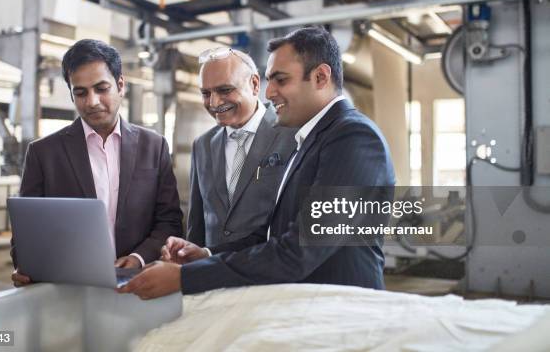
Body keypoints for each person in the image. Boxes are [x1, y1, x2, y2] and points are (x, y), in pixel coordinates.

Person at [118, 26, 395, 299]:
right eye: (269, 80)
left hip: (343, 310)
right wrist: (206, 254)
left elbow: (300, 251)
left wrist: (185, 278)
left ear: (321, 77)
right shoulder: (313, 138)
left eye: (281, 80)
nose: (269, 92)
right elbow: (272, 234)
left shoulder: (353, 137)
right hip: (308, 304)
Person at [11, 39, 183, 286]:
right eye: (80, 92)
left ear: (120, 85)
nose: (91, 101)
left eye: (101, 88)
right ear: (71, 94)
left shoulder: (153, 146)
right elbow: (26, 231)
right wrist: (25, 265)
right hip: (67, 287)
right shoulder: (43, 153)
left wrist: (138, 258)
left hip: (138, 282)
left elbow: (169, 220)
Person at [187, 47, 295, 253]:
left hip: (272, 278)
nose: (214, 102)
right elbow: (197, 225)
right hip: (212, 277)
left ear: (254, 84)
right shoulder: (202, 145)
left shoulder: (292, 135)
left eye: (225, 90)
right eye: (205, 93)